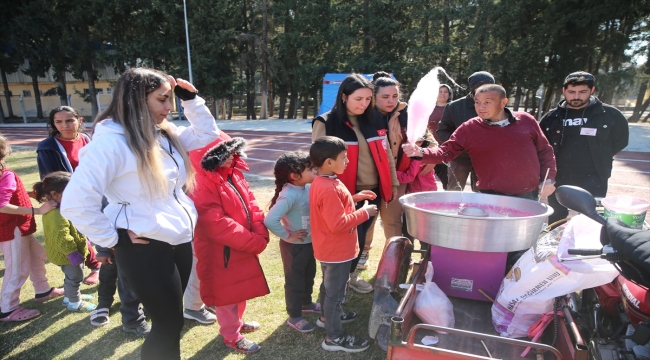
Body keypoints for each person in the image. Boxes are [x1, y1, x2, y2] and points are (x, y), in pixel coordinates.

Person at [60, 68, 220, 359]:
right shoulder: (111, 143)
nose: (169, 107)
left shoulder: (162, 134)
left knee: (172, 323)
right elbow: (75, 202)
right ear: (137, 100)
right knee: (167, 324)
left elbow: (207, 133)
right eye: (162, 99)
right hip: (144, 246)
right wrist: (112, 237)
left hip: (179, 239)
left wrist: (192, 100)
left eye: (171, 98)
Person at [312, 74, 397, 293]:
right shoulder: (326, 122)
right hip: (342, 193)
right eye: (358, 99)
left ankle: (348, 279)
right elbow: (318, 162)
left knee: (360, 240)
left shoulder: (376, 119)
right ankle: (334, 287)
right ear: (344, 97)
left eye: (368, 99)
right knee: (345, 241)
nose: (364, 104)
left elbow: (386, 155)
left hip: (373, 191)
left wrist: (393, 184)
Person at [403, 84, 557, 200]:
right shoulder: (470, 128)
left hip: (528, 194)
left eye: (487, 102)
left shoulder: (526, 121)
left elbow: (545, 151)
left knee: (525, 241)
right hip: (490, 196)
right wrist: (421, 152)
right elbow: (446, 152)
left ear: (503, 102)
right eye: (477, 102)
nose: (480, 107)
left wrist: (548, 179)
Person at [189, 134, 269, 355]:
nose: (230, 157)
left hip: (240, 246)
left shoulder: (233, 172)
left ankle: (237, 324)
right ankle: (231, 336)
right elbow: (215, 224)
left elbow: (251, 202)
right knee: (226, 296)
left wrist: (259, 230)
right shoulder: (201, 182)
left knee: (239, 289)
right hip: (221, 252)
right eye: (223, 154)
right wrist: (253, 240)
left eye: (232, 152)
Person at [309, 136, 377, 353]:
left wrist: (355, 198)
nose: (347, 161)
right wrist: (364, 212)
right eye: (344, 158)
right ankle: (334, 338)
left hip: (331, 249)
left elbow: (336, 206)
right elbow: (338, 223)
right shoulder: (328, 187)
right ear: (329, 162)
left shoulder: (326, 181)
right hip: (336, 251)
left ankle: (326, 317)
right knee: (335, 295)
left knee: (329, 288)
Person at [540, 71, 629, 224]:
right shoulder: (551, 118)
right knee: (556, 215)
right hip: (559, 175)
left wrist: (602, 156)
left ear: (592, 91)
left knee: (591, 218)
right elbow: (542, 146)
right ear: (564, 91)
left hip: (594, 176)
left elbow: (620, 140)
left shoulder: (610, 115)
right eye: (571, 92)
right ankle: (554, 245)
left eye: (582, 92)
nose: (576, 97)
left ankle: (587, 247)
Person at [0, 134, 62, 322]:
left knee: (37, 256)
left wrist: (26, 194)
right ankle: (8, 309)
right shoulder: (6, 173)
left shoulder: (4, 173)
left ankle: (42, 290)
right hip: (13, 229)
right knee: (16, 269)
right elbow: (2, 205)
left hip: (18, 227)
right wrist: (38, 210)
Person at [36, 106, 101, 285]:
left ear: (79, 121)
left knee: (94, 229)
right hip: (68, 196)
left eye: (69, 120)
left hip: (93, 193)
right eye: (59, 121)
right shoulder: (47, 147)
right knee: (77, 233)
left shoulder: (87, 139)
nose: (64, 125)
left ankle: (98, 263)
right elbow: (49, 177)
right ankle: (95, 266)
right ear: (53, 124)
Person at [264, 151, 320, 333]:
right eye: (310, 169)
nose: (315, 171)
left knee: (309, 274)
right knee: (295, 281)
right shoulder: (289, 195)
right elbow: (270, 220)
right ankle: (294, 315)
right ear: (295, 176)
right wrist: (288, 235)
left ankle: (306, 303)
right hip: (294, 247)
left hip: (309, 243)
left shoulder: (306, 187)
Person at [33, 171, 97, 312]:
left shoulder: (59, 208)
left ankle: (70, 296)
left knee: (71, 276)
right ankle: (74, 302)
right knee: (75, 277)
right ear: (55, 194)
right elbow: (61, 236)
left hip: (67, 254)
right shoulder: (56, 214)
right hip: (67, 255)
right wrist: (72, 253)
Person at [437, 71, 495, 191]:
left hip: (485, 159)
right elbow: (442, 131)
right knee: (454, 192)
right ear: (473, 88)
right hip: (459, 157)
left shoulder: (497, 106)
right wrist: (458, 146)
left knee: (482, 194)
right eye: (483, 87)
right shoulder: (454, 107)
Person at [427, 84, 453, 190]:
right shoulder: (428, 107)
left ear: (449, 94)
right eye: (440, 91)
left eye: (445, 91)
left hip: (446, 149)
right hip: (429, 148)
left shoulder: (452, 108)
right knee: (426, 179)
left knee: (447, 180)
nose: (442, 94)